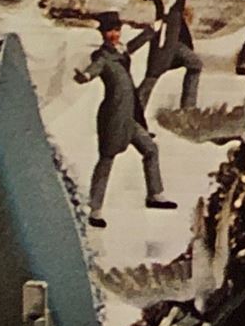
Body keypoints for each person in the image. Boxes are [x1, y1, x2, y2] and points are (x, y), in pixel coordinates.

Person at [74, 13, 178, 227]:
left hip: (129, 116)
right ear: (103, 34)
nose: (114, 35)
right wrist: (85, 76)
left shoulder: (121, 51)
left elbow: (134, 45)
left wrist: (151, 30)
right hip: (113, 116)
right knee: (107, 159)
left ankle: (155, 194)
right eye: (110, 31)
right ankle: (94, 209)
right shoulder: (102, 56)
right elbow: (94, 68)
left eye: (117, 30)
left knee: (150, 149)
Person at [138, 0, 208, 114]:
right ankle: (134, 114)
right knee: (152, 77)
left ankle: (188, 110)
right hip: (164, 36)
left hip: (176, 37)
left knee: (195, 64)